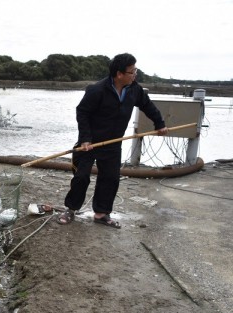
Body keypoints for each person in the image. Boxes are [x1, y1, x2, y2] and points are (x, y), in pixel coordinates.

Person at [57, 53, 168, 229]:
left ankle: (101, 213)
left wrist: (160, 123)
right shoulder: (97, 90)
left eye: (135, 71)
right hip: (90, 143)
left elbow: (147, 105)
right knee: (81, 177)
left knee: (110, 178)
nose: (135, 75)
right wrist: (85, 139)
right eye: (132, 72)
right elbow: (82, 112)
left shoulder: (134, 89)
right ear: (119, 74)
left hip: (113, 143)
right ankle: (71, 209)